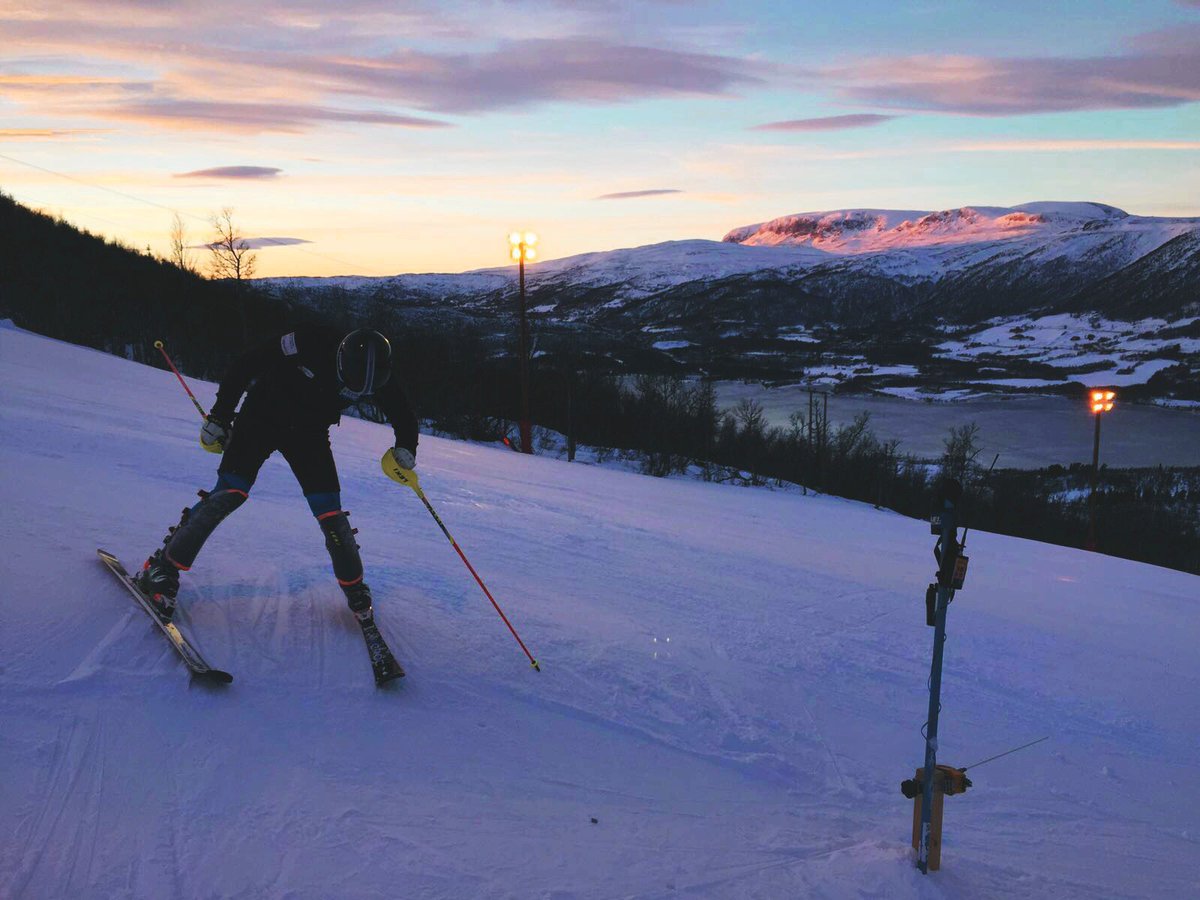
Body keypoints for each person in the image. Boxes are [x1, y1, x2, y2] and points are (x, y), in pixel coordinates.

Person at [135, 326, 418, 626]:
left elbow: (402, 412)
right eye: (353, 385)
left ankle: (354, 587)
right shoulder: (308, 341)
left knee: (330, 512)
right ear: (341, 362)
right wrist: (220, 415)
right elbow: (248, 364)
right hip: (260, 418)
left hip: (309, 434)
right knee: (230, 493)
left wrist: (406, 448)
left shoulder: (377, 375)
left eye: (367, 390)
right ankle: (161, 568)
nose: (359, 392)